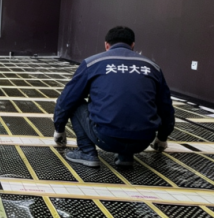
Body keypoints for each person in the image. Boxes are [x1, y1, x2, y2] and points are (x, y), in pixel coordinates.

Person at [52, 26, 175, 168]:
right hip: (143, 140)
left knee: (75, 102)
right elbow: (165, 107)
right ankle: (125, 156)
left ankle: (86, 152)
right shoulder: (153, 67)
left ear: (106, 45)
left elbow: (66, 100)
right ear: (133, 45)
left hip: (106, 138)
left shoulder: (92, 63)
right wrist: (162, 137)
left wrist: (59, 128)